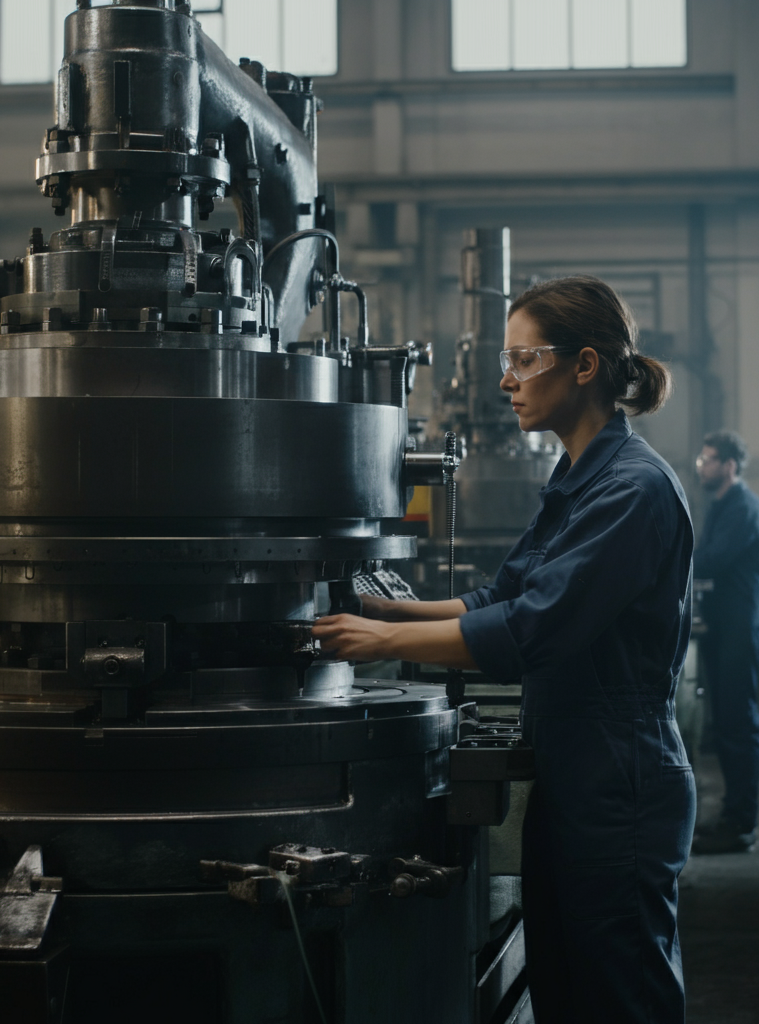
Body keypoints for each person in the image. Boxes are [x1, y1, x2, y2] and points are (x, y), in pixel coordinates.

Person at [313, 276, 696, 1024]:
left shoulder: (633, 490)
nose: (506, 379)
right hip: (577, 770)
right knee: (567, 986)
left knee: (620, 995)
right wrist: (392, 606)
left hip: (620, 777)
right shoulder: (580, 478)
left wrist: (384, 640)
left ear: (584, 366)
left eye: (524, 359)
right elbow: (504, 595)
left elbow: (530, 631)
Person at [691, 430, 759, 854]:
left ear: (730, 466)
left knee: (738, 725)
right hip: (724, 628)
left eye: (708, 460)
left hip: (742, 629)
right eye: (701, 460)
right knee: (726, 726)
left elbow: (710, 559)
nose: (702, 466)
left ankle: (742, 824)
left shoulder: (746, 509)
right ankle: (732, 816)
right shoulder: (721, 506)